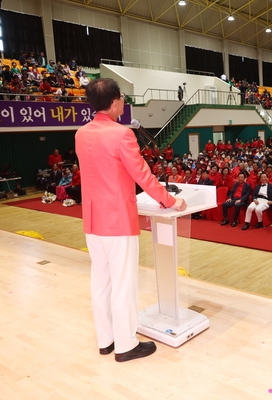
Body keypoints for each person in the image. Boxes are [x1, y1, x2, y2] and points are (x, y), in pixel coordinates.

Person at [75, 78, 186, 363]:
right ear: (114, 102)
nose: (123, 102)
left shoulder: (81, 133)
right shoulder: (121, 134)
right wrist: (171, 200)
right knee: (124, 283)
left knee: (100, 282)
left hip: (92, 220)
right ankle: (125, 345)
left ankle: (106, 340)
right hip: (118, 221)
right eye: (122, 98)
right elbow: (143, 176)